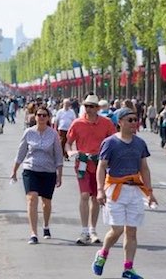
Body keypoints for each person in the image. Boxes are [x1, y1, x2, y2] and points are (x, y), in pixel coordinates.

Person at [91, 108, 156, 278]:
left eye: (135, 120)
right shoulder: (110, 143)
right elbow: (101, 167)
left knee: (131, 231)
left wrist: (149, 192)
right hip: (114, 190)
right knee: (117, 229)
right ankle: (103, 253)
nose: (134, 123)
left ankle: (128, 268)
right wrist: (100, 190)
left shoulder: (140, 143)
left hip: (134, 190)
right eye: (130, 120)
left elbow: (144, 168)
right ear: (120, 122)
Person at [65, 95, 117, 245]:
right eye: (87, 106)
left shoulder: (106, 123)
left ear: (98, 108)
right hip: (82, 163)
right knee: (84, 195)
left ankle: (93, 230)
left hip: (100, 164)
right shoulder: (77, 123)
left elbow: (114, 141)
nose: (89, 109)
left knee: (96, 197)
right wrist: (70, 152)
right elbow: (68, 143)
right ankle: (84, 230)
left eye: (92, 106)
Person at [11, 106, 63, 244]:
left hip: (48, 171)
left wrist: (59, 174)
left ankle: (45, 225)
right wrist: (14, 170)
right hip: (30, 169)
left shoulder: (53, 134)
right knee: (32, 198)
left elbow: (58, 155)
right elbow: (21, 152)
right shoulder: (28, 133)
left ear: (48, 118)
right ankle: (33, 233)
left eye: (44, 115)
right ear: (35, 117)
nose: (41, 117)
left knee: (46, 202)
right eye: (39, 115)